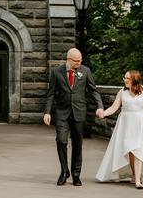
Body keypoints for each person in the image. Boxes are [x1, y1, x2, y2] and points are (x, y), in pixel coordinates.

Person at [44, 48, 104, 186]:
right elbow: (51, 94)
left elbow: (93, 91)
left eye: (80, 60)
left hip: (79, 112)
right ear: (68, 59)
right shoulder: (56, 72)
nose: (79, 62)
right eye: (77, 61)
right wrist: (47, 112)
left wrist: (99, 106)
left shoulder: (85, 71)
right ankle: (64, 172)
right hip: (62, 113)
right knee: (61, 140)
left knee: (78, 144)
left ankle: (76, 174)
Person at [96, 70, 143, 189]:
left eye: (127, 78)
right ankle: (133, 174)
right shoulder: (122, 92)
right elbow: (114, 107)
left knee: (139, 150)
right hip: (126, 125)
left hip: (141, 124)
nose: (124, 80)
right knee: (130, 151)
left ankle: (138, 180)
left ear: (134, 79)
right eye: (124, 77)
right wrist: (104, 113)